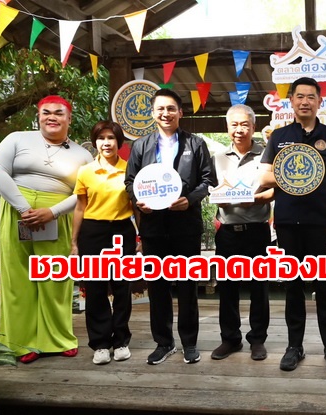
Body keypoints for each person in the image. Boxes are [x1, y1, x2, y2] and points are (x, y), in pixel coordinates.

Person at [0, 95, 93, 363]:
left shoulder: (83, 155)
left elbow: (84, 192)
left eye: (59, 113)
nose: (52, 117)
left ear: (69, 118)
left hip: (57, 216)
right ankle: (20, 342)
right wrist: (24, 208)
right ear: (39, 116)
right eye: (46, 112)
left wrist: (53, 212)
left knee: (55, 276)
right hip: (17, 212)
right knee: (18, 277)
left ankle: (57, 338)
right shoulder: (17, 138)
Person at [260, 77, 326, 372]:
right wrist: (296, 170)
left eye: (311, 97)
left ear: (319, 102)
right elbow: (264, 176)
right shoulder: (279, 136)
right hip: (288, 223)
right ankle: (294, 347)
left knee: (325, 287)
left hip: (322, 224)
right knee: (293, 287)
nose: (305, 102)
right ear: (291, 101)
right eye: (299, 96)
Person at [125, 89, 216, 365]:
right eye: (161, 109)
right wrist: (139, 202)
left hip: (186, 225)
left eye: (171, 108)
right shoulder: (140, 146)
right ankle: (163, 343)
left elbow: (208, 180)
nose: (166, 114)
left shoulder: (195, 144)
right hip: (153, 226)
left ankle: (189, 343)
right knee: (157, 286)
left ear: (180, 112)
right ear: (153, 113)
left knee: (188, 285)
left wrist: (190, 200)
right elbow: (130, 182)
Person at [210, 104, 273, 361]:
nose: (239, 129)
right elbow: (210, 188)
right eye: (234, 125)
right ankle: (230, 339)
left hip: (257, 230)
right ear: (227, 128)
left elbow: (278, 188)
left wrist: (257, 199)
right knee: (227, 287)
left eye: (244, 124)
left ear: (253, 127)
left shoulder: (266, 154)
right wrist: (217, 198)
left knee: (259, 287)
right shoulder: (217, 157)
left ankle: (257, 339)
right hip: (227, 231)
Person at [71, 121, 136, 365]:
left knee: (122, 288)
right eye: (101, 138)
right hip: (92, 232)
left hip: (122, 231)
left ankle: (121, 341)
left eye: (111, 138)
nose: (106, 143)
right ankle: (100, 344)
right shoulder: (85, 171)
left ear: (119, 142)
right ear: (95, 142)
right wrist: (74, 242)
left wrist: (141, 236)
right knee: (95, 289)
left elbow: (136, 207)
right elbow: (80, 207)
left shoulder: (130, 169)